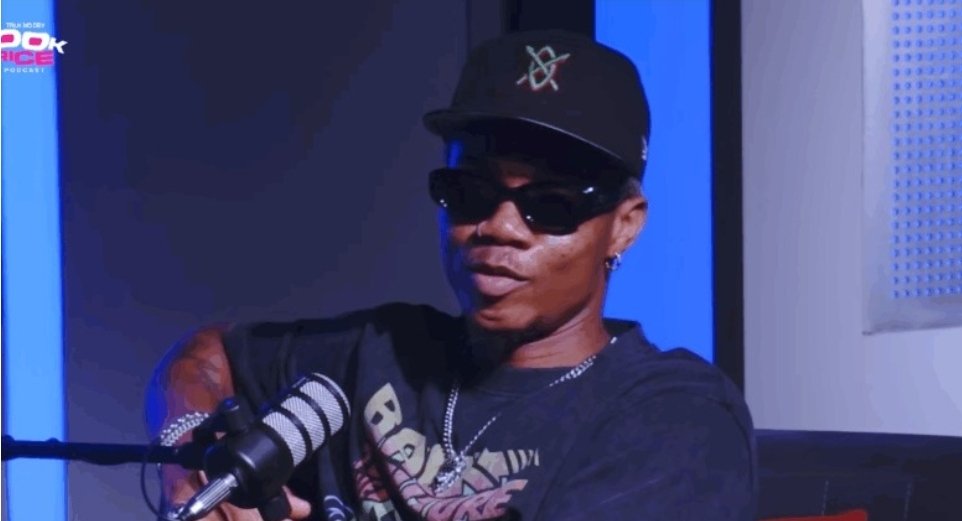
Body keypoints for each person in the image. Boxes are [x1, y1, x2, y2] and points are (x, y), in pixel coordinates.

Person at [146, 29, 757, 521]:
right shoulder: (378, 353)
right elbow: (203, 356)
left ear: (623, 227)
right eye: (469, 193)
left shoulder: (676, 417)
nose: (500, 226)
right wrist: (190, 464)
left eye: (550, 205)